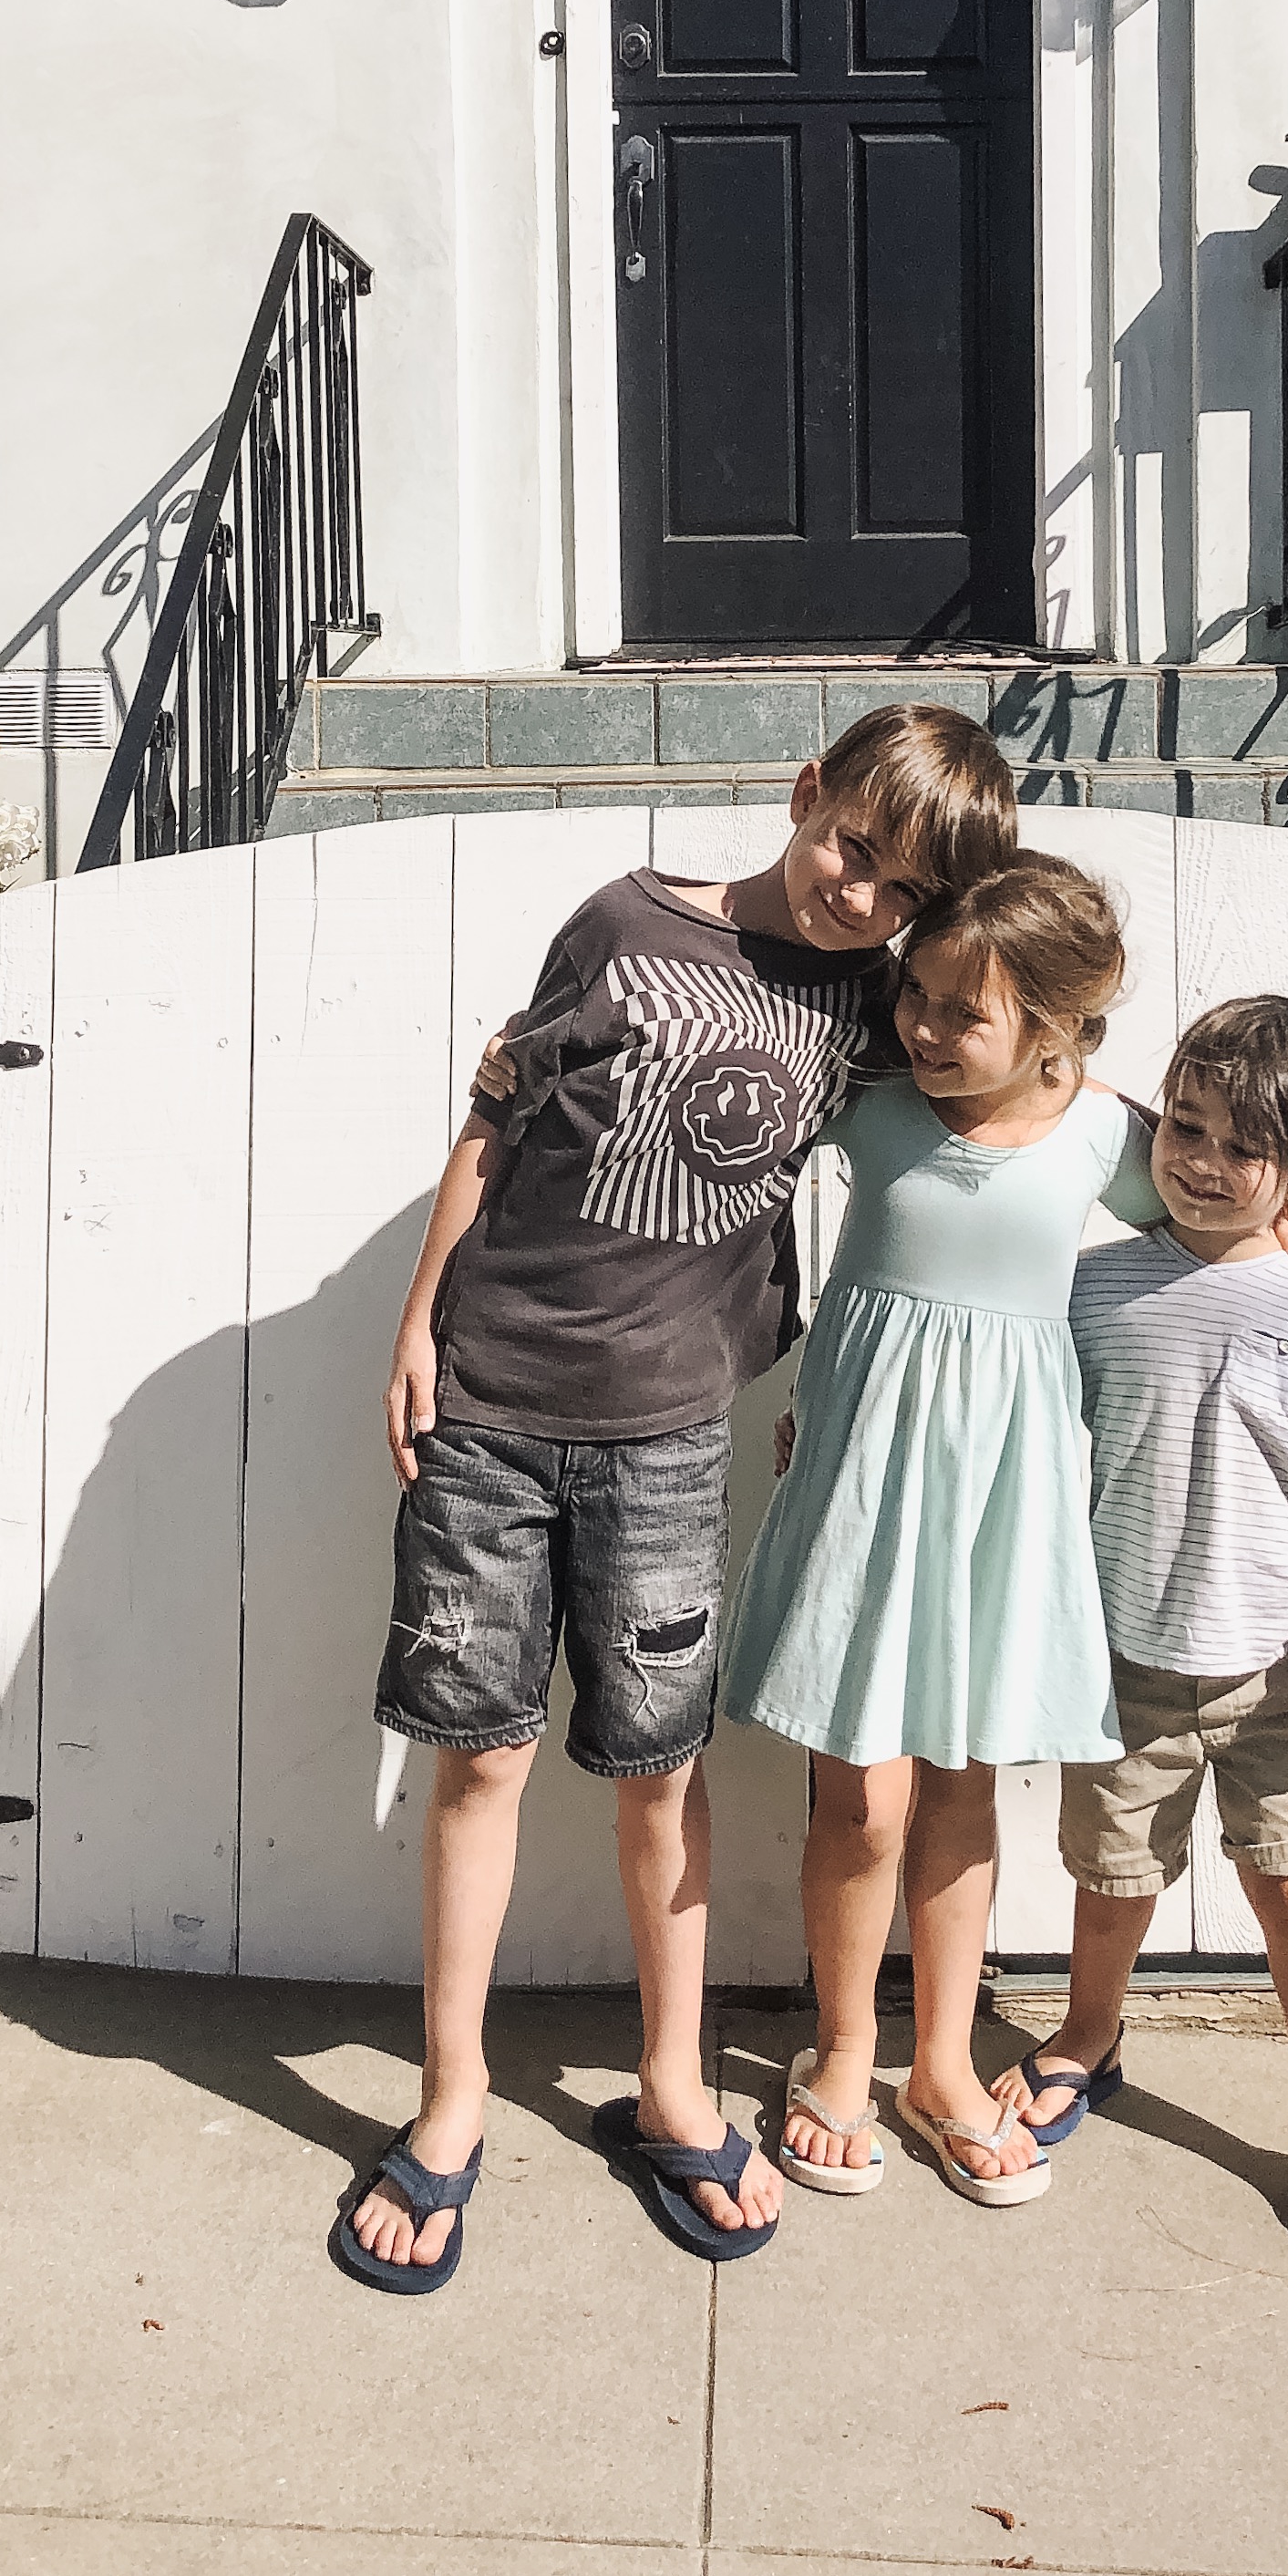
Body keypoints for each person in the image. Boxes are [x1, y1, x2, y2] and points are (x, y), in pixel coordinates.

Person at [334, 701, 1016, 2293]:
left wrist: (1247, 1201)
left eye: (903, 888)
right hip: (490, 1408)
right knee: (481, 1763)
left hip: (667, 1436)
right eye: (854, 847)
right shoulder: (625, 922)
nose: (862, 894)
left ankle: (671, 2080)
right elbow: (498, 1111)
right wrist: (418, 1320)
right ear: (805, 795)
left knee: (660, 1771)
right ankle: (452, 2098)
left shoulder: (871, 1002)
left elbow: (1026, 1058)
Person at [722, 855, 1200, 2205]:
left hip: (1007, 1488)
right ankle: (842, 2049)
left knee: (962, 1778)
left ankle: (940, 2063)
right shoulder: (872, 1107)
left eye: (961, 1010)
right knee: (860, 1787)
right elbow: (723, 1138)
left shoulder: (1108, 1138)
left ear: (1054, 1028)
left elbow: (1219, 1216)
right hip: (870, 1472)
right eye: (915, 994)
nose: (923, 1026)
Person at [995, 994, 1288, 2273]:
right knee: (1112, 1880)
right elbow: (993, 1387)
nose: (1202, 1161)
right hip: (1119, 1662)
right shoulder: (1093, 1284)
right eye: (1186, 1125)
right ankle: (1087, 2036)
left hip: (1279, 1673)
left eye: (1243, 1147)